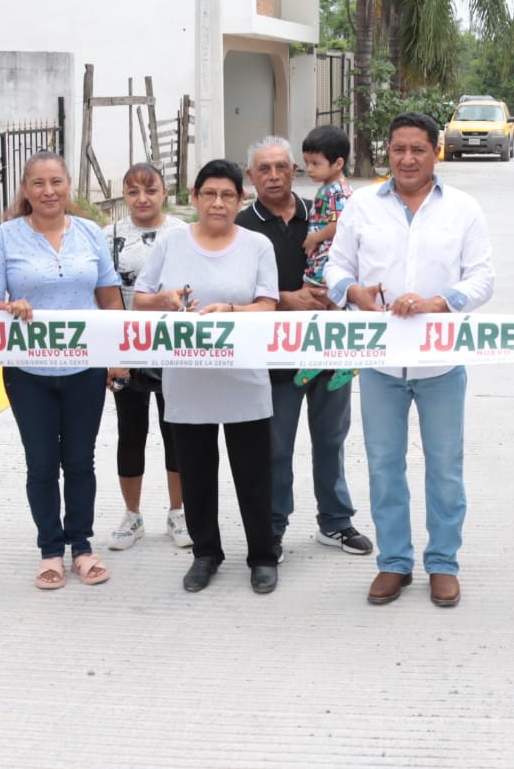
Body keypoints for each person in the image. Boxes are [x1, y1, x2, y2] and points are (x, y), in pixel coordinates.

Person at [327, 112, 495, 607]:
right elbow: (336, 266)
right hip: (379, 363)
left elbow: (482, 279)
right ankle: (393, 562)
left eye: (417, 149)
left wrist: (439, 302)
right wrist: (353, 291)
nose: (406, 158)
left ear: (435, 152)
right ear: (388, 152)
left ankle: (442, 562)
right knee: (383, 466)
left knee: (445, 467)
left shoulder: (462, 209)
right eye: (398, 149)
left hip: (441, 363)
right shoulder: (361, 205)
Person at [0, 151, 124, 591]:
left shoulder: (91, 234)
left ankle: (82, 546)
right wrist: (7, 306)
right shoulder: (4, 237)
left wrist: (116, 358)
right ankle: (50, 551)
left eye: (56, 182)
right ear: (25, 189)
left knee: (80, 461)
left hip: (85, 368)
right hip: (28, 371)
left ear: (68, 185)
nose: (48, 191)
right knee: (41, 464)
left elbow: (109, 295)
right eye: (38, 183)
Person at [135, 159, 282, 594]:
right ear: (195, 198)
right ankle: (206, 553)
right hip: (187, 380)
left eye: (228, 195)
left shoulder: (257, 245)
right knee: (196, 472)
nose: (218, 203)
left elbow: (268, 306)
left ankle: (261, 555)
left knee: (253, 473)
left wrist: (232, 311)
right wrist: (164, 298)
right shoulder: (171, 243)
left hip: (244, 379)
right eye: (209, 194)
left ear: (241, 200)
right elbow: (141, 299)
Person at [237, 136, 373, 565]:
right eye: (265, 169)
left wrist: (343, 294)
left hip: (328, 348)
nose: (275, 176)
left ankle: (334, 520)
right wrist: (285, 299)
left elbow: (357, 261)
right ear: (251, 177)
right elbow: (233, 288)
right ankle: (273, 528)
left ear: (296, 169)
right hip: (274, 357)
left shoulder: (324, 212)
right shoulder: (243, 226)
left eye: (282, 167)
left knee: (331, 439)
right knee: (275, 446)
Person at [103, 162, 189, 551]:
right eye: (133, 191)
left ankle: (179, 513)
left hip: (173, 347)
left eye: (150, 190)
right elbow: (103, 296)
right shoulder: (109, 236)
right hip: (127, 348)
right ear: (124, 195)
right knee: (130, 433)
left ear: (164, 192)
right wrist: (112, 353)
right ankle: (132, 515)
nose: (142, 199)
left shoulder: (183, 234)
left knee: (177, 434)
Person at [295, 125, 356, 392]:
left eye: (315, 163)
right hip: (321, 257)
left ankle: (326, 358)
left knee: (314, 302)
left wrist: (314, 238)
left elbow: (341, 222)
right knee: (328, 306)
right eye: (307, 162)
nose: (309, 169)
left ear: (338, 163)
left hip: (327, 259)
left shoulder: (337, 191)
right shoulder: (328, 187)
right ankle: (330, 357)